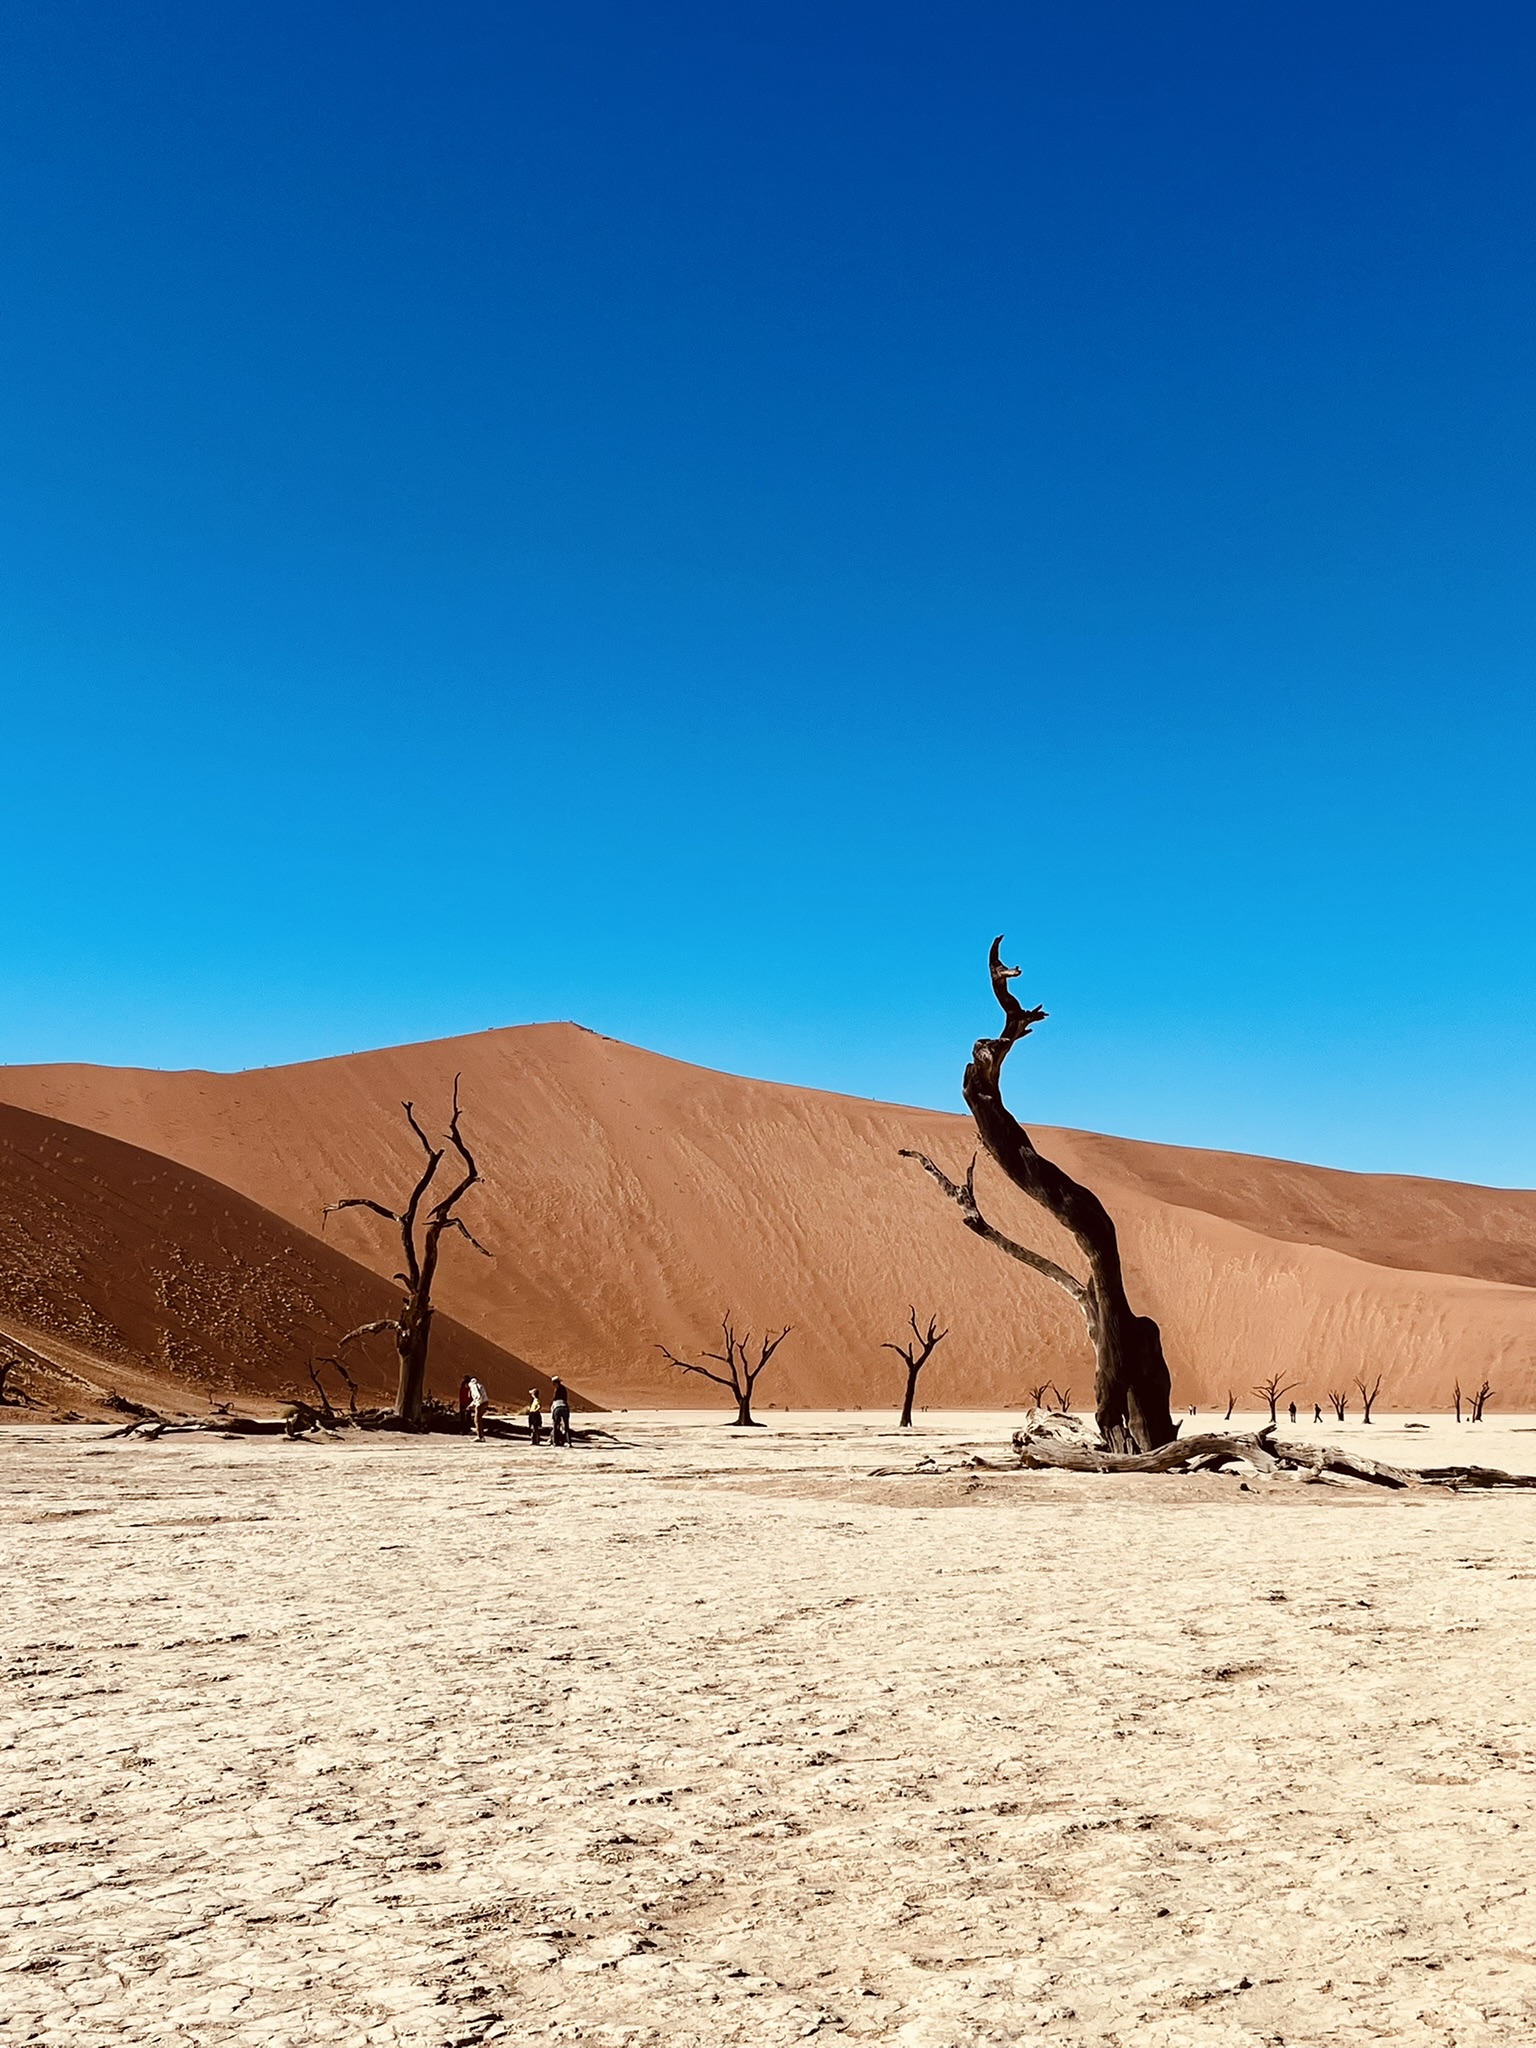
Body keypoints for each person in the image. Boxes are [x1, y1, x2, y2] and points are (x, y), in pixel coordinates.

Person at [550, 1377, 571, 1447]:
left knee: (555, 1425)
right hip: (565, 1407)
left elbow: (554, 1400)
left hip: (557, 1408)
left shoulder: (557, 1390)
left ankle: (555, 1442)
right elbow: (565, 1399)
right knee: (566, 1426)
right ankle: (568, 1442)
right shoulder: (564, 1389)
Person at [466, 1376, 489, 1440]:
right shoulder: (479, 1384)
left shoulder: (473, 1386)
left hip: (480, 1403)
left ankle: (480, 1436)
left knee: (477, 1420)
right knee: (479, 1419)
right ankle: (481, 1435)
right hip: (485, 1402)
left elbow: (477, 1395)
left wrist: (476, 1404)